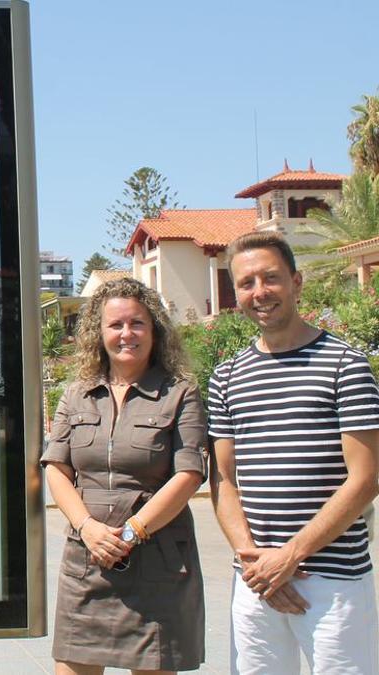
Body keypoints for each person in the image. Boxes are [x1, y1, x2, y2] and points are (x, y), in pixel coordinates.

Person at [209, 231, 379, 674]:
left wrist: (290, 556)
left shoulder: (345, 365)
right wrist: (256, 563)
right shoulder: (226, 377)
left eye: (271, 278)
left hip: (333, 581)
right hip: (255, 582)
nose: (259, 292)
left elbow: (366, 478)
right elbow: (224, 481)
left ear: (297, 283)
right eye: (246, 283)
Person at [42, 277, 206, 674]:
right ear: (99, 333)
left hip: (157, 563)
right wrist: (88, 529)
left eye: (137, 324)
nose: (126, 334)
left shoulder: (180, 393)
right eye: (115, 325)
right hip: (88, 561)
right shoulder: (76, 394)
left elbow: (189, 475)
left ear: (155, 330)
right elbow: (57, 469)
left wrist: (131, 533)